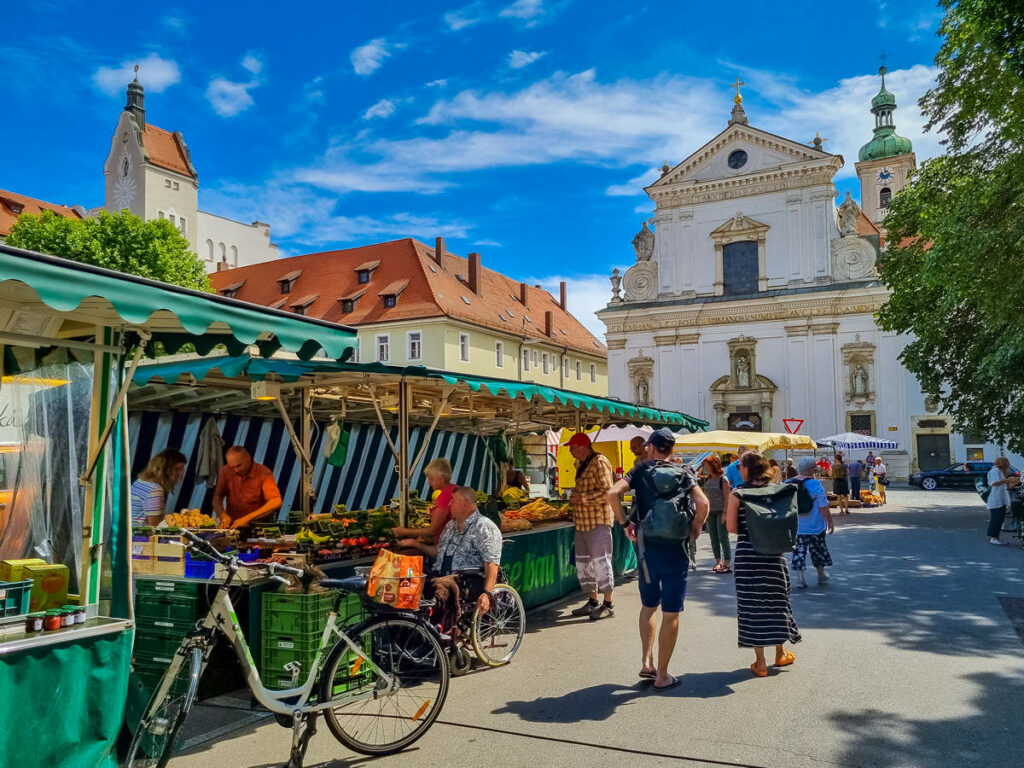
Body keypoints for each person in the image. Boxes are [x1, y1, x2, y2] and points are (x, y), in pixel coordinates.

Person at [607, 428, 710, 691]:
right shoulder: (685, 472)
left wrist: (624, 523)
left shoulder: (640, 471)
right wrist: (696, 527)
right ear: (671, 450)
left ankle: (646, 661)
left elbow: (611, 494)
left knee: (649, 605)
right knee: (672, 612)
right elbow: (704, 503)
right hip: (676, 549)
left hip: (647, 550)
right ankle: (662, 674)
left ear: (651, 448)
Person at [726, 451, 802, 677]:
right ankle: (780, 652)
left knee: (751, 606)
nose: (739, 469)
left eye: (740, 465)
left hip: (748, 555)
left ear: (747, 469)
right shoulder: (780, 490)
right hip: (774, 554)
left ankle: (760, 663)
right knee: (777, 601)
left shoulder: (738, 493)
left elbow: (731, 527)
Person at [398, 486, 502, 628]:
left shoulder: (484, 527)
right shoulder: (450, 526)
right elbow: (437, 552)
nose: (449, 504)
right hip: (440, 573)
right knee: (409, 580)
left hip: (466, 580)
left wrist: (487, 594)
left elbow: (492, 564)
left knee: (440, 586)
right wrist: (415, 544)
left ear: (466, 504)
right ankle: (406, 628)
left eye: (453, 500)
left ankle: (436, 631)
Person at [565, 433, 616, 620]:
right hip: (583, 523)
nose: (570, 452)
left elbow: (608, 492)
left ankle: (608, 604)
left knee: (601, 563)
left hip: (598, 522)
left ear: (583, 446)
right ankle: (593, 601)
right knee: (585, 564)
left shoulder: (599, 462)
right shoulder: (581, 464)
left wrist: (583, 498)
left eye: (572, 448)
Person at [790, 457, 835, 588]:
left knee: (798, 551)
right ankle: (821, 575)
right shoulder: (815, 484)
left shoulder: (788, 483)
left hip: (796, 526)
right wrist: (830, 522)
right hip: (815, 525)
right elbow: (823, 506)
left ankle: (800, 578)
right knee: (818, 550)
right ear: (811, 470)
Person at [212, 446, 282, 529]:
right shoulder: (226, 471)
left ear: (248, 458)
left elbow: (276, 501)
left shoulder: (263, 473)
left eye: (239, 466)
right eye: (232, 467)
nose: (236, 470)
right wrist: (222, 515)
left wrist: (247, 518)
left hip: (258, 526)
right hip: (233, 526)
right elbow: (217, 497)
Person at [393, 458, 457, 543]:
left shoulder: (444, 497)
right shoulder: (456, 488)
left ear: (441, 479)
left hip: (446, 545)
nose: (429, 483)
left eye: (431, 479)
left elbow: (432, 530)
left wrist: (403, 531)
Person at [131, 449, 187, 525]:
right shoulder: (154, 490)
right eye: (177, 469)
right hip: (142, 536)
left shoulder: (139, 482)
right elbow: (156, 526)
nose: (181, 473)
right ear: (165, 469)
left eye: (182, 469)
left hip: (130, 534)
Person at [701, 454, 732, 573]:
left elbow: (727, 497)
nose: (705, 468)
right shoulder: (707, 479)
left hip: (721, 511)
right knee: (713, 537)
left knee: (722, 536)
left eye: (707, 465)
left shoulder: (723, 479)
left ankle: (727, 562)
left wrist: (725, 513)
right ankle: (718, 561)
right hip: (711, 512)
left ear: (713, 465)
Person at [986, 457, 1019, 545]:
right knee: (996, 519)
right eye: (1007, 462)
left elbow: (1004, 485)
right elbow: (994, 483)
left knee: (999, 519)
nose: (1008, 464)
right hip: (996, 499)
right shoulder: (995, 471)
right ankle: (993, 538)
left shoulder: (1000, 472)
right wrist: (1007, 480)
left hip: (1001, 499)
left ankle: (996, 537)